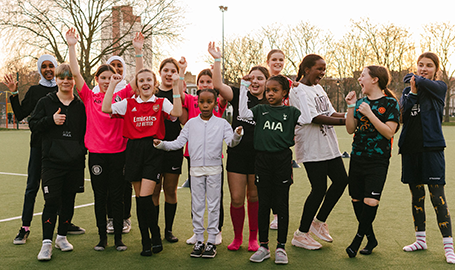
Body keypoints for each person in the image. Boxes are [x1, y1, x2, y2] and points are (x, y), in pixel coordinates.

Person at [66, 28, 144, 251]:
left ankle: (118, 237)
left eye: (111, 77)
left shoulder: (121, 97)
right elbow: (75, 73)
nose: (107, 80)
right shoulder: (90, 96)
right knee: (101, 196)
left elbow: (139, 81)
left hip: (119, 153)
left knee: (118, 196)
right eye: (103, 77)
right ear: (97, 79)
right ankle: (102, 238)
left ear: (116, 79)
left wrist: (137, 52)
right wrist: (72, 46)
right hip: (97, 155)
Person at [4, 55, 84, 246]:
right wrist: (14, 94)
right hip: (40, 147)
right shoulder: (36, 92)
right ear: (41, 69)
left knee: (63, 191)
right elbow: (23, 115)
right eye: (44, 66)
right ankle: (24, 227)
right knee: (32, 186)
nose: (48, 69)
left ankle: (64, 226)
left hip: (62, 151)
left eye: (51, 66)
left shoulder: (69, 93)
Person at [102, 68, 182, 256]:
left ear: (154, 84)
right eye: (141, 80)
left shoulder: (161, 102)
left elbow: (177, 112)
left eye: (148, 80)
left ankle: (154, 235)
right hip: (133, 151)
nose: (145, 83)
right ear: (137, 85)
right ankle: (147, 241)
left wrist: (177, 85)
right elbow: (106, 108)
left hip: (153, 151)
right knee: (140, 199)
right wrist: (112, 86)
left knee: (146, 197)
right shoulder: (128, 103)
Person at [154, 88, 242, 258]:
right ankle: (199, 240)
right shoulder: (190, 124)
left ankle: (211, 242)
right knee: (198, 205)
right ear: (197, 103)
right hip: (195, 171)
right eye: (202, 102)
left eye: (209, 102)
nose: (205, 105)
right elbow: (178, 143)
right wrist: (162, 144)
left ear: (215, 103)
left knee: (214, 205)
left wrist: (237, 135)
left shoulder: (222, 124)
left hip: (215, 170)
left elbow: (231, 143)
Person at [238, 74, 310, 264]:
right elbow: (243, 113)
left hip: (282, 160)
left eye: (274, 90)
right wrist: (243, 85)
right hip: (262, 161)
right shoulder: (260, 109)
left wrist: (299, 90)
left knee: (281, 204)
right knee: (263, 205)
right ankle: (263, 246)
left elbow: (308, 118)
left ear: (284, 92)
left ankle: (281, 247)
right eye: (268, 90)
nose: (269, 93)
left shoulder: (291, 112)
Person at [209, 42, 267, 252]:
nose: (255, 81)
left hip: (259, 156)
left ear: (266, 82)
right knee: (236, 198)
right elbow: (217, 84)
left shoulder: (271, 99)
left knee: (254, 196)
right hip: (237, 155)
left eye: (260, 78)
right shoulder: (238, 94)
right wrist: (217, 59)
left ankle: (253, 238)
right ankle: (237, 238)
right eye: (252, 78)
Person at [399, 52, 455, 264]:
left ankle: (449, 247)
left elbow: (420, 80)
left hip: (432, 150)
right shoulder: (407, 91)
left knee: (437, 197)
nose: (423, 69)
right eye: (420, 65)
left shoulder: (439, 88)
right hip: (411, 150)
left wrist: (415, 77)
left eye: (428, 66)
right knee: (417, 196)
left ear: (436, 70)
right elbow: (405, 117)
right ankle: (420, 240)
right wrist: (412, 92)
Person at [289, 54, 348, 250]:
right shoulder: (297, 91)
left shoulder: (318, 88)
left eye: (324, 69)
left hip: (329, 145)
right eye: (319, 69)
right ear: (306, 69)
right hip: (312, 147)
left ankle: (318, 221)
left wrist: (351, 115)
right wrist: (345, 121)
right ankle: (301, 234)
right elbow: (314, 117)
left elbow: (330, 112)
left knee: (341, 181)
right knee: (319, 189)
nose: (323, 73)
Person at [29, 64, 87, 261]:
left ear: (73, 81)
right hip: (52, 162)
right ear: (56, 80)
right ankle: (47, 243)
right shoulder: (46, 102)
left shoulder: (80, 106)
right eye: (61, 78)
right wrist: (50, 120)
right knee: (51, 201)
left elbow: (84, 135)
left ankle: (61, 237)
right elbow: (33, 125)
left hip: (74, 162)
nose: (65, 81)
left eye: (69, 78)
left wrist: (81, 154)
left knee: (69, 201)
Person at [344, 65, 400, 258]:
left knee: (371, 200)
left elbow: (389, 132)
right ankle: (371, 238)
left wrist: (369, 113)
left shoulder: (391, 103)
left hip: (378, 160)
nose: (360, 79)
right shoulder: (360, 102)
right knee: (356, 199)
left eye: (362, 76)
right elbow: (351, 129)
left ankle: (358, 239)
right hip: (357, 157)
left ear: (375, 79)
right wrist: (351, 107)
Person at [182, 67, 228, 246]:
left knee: (216, 197)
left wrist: (216, 61)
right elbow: (178, 92)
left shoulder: (218, 101)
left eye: (209, 81)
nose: (205, 84)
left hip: (213, 160)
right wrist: (182, 70)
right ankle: (198, 231)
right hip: (193, 158)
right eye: (202, 81)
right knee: (197, 197)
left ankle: (216, 231)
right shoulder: (193, 100)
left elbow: (219, 85)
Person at [152, 57, 186, 243]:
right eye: (166, 70)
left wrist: (179, 90)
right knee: (155, 191)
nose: (169, 74)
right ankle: (154, 230)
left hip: (173, 147)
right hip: (154, 148)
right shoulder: (152, 92)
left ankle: (168, 231)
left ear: (177, 74)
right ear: (160, 72)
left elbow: (182, 120)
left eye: (173, 71)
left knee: (170, 191)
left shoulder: (178, 94)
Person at [265, 49, 300, 230]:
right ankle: (268, 213)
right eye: (274, 60)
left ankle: (279, 215)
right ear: (268, 61)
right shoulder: (262, 79)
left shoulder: (290, 84)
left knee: (282, 180)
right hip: (264, 138)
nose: (277, 63)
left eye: (280, 60)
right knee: (265, 181)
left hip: (282, 140)